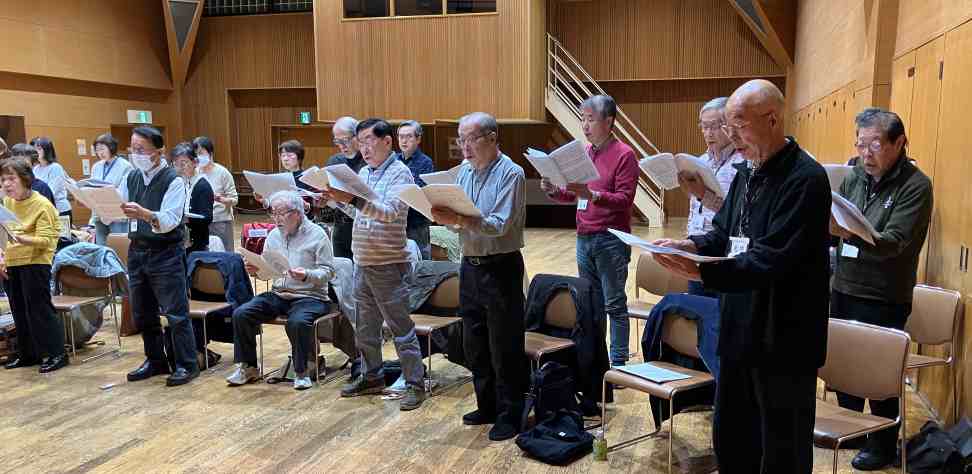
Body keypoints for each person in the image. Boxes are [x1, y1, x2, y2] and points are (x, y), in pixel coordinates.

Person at [652, 80, 831, 473]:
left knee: (783, 448)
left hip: (784, 336)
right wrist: (690, 246)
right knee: (733, 437)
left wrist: (703, 270)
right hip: (739, 326)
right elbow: (724, 233)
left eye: (738, 126)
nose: (731, 137)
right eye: (727, 128)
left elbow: (773, 258)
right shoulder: (747, 171)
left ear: (773, 119)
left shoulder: (806, 178)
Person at [829, 108, 933, 470]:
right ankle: (852, 430)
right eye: (860, 144)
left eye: (874, 144)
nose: (865, 153)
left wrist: (850, 233)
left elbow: (896, 241)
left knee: (879, 374)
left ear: (899, 142)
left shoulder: (916, 185)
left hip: (884, 293)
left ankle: (883, 443)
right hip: (844, 285)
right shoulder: (854, 175)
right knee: (845, 366)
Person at [431, 112, 528, 441]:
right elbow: (460, 222)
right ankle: (487, 406)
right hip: (470, 266)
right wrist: (445, 217)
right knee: (475, 342)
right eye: (461, 140)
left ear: (492, 138)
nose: (465, 147)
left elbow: (498, 224)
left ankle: (510, 414)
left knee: (504, 344)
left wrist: (458, 219)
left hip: (501, 266)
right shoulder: (464, 172)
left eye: (471, 139)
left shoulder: (511, 173)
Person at [323, 118, 426, 411]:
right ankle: (372, 376)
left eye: (369, 141)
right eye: (361, 142)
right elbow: (363, 214)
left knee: (400, 328)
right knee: (366, 329)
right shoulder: (364, 172)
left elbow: (390, 213)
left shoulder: (400, 173)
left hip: (388, 263)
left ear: (387, 142)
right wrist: (335, 200)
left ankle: (415, 384)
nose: (364, 148)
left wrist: (352, 200)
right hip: (363, 261)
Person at [540, 95, 638, 368]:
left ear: (608, 121)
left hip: (611, 239)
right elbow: (573, 194)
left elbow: (625, 199)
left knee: (614, 303)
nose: (584, 125)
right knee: (591, 303)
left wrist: (593, 195)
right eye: (582, 119)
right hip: (584, 237)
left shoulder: (625, 154)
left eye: (590, 119)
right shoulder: (585, 153)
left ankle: (618, 363)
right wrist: (554, 191)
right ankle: (596, 360)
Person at [228, 190, 335, 390]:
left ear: (297, 213)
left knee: (297, 322)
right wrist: (257, 271)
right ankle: (248, 367)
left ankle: (302, 372)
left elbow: (329, 272)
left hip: (310, 296)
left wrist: (307, 275)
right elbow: (269, 272)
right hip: (279, 293)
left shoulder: (317, 235)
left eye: (281, 213)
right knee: (241, 313)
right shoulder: (273, 235)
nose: (276, 219)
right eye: (273, 213)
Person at [118, 126, 199, 387]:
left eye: (141, 149)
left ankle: (187, 363)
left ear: (159, 151)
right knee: (142, 312)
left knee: (175, 312)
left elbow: (170, 220)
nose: (136, 154)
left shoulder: (173, 179)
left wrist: (145, 214)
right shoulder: (132, 176)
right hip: (137, 250)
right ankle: (155, 360)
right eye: (133, 149)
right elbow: (120, 206)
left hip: (165, 252)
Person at [0, 158, 68, 373]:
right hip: (13, 262)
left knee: (39, 310)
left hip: (36, 262)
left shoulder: (42, 204)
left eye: (11, 179)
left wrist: (22, 239)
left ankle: (57, 353)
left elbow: (47, 241)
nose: (6, 184)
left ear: (25, 179)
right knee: (18, 310)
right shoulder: (7, 202)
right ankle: (28, 354)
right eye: (3, 180)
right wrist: (2, 258)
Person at [679, 97, 745, 297]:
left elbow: (738, 214)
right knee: (696, 308)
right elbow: (694, 208)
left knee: (718, 310)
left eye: (714, 126)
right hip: (696, 249)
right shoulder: (700, 161)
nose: (708, 133)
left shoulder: (741, 163)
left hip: (720, 251)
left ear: (728, 126)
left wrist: (702, 195)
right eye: (704, 127)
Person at [322, 116, 366, 259]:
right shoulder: (334, 161)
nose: (341, 146)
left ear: (357, 136)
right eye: (337, 141)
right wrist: (323, 200)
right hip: (340, 226)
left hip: (364, 227)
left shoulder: (368, 160)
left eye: (345, 140)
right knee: (342, 268)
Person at [396, 120, 434, 259]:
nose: (404, 141)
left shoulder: (425, 162)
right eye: (401, 136)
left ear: (418, 139)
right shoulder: (393, 160)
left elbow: (420, 191)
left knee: (420, 262)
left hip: (417, 222)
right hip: (396, 221)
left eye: (409, 136)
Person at [194, 136, 238, 252]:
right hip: (200, 222)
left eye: (201, 153)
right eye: (196, 154)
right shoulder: (195, 172)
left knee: (225, 254)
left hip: (220, 221)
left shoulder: (223, 172)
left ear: (210, 153)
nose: (198, 157)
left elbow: (234, 199)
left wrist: (221, 199)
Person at [88, 133, 134, 244]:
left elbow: (125, 194)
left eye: (102, 149)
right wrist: (92, 220)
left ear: (111, 147)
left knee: (118, 246)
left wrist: (106, 192)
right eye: (97, 150)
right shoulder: (96, 167)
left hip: (117, 214)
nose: (100, 153)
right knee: (101, 247)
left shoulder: (125, 166)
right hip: (99, 214)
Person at [170, 142, 213, 255]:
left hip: (197, 243)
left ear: (195, 162)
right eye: (176, 164)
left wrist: (187, 219)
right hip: (184, 241)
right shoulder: (183, 183)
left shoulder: (202, 185)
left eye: (183, 163)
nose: (180, 168)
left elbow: (207, 218)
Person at [29, 137, 72, 224]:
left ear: (47, 150)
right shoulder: (36, 168)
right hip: (43, 209)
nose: (36, 152)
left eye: (39, 149)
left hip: (59, 210)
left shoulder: (55, 167)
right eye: (34, 149)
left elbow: (51, 192)